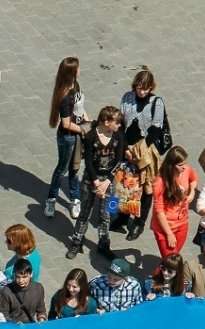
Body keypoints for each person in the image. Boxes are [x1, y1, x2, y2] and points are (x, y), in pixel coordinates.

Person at [67, 106, 126, 260]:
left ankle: (104, 244)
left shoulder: (118, 136)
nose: (119, 125)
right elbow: (88, 162)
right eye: (117, 122)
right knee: (84, 213)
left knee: (107, 213)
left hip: (111, 181)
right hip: (91, 179)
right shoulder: (91, 136)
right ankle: (76, 241)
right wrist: (96, 182)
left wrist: (107, 182)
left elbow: (119, 161)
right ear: (106, 122)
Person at [119, 69, 168, 239]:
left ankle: (139, 223)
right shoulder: (127, 97)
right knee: (125, 183)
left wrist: (137, 150)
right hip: (127, 148)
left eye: (145, 88)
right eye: (139, 87)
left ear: (151, 88)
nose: (142, 91)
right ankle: (122, 216)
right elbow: (120, 124)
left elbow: (156, 130)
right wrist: (126, 148)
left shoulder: (157, 102)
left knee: (146, 188)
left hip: (146, 151)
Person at [45, 57, 85, 219]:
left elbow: (80, 108)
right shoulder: (65, 96)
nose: (80, 69)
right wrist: (84, 130)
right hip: (68, 137)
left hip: (77, 134)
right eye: (78, 67)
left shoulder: (75, 86)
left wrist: (88, 123)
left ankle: (75, 199)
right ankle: (51, 199)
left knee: (75, 168)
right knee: (62, 169)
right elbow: (67, 123)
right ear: (72, 72)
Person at [150, 146, 198, 261]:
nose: (184, 167)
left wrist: (192, 193)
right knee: (171, 260)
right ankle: (162, 278)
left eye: (185, 163)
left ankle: (162, 277)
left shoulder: (186, 170)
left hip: (182, 224)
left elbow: (194, 179)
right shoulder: (160, 182)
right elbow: (159, 211)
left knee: (173, 259)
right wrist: (169, 234)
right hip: (165, 227)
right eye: (180, 165)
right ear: (172, 165)